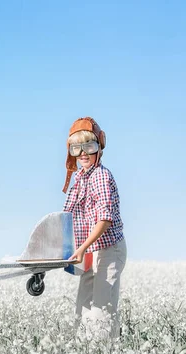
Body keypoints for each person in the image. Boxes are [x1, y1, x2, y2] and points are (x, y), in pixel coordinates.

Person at [62, 117, 127, 338]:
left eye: (88, 146)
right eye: (76, 148)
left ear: (99, 147)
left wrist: (81, 249)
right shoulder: (80, 177)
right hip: (90, 249)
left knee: (101, 313)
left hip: (108, 250)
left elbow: (104, 219)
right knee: (83, 311)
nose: (82, 154)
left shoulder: (101, 176)